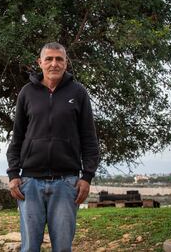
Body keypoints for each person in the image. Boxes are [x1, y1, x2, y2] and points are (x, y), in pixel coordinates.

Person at [6, 42, 100, 252]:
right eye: (49, 59)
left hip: (67, 184)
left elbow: (90, 140)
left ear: (66, 63)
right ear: (40, 63)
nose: (54, 64)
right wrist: (13, 174)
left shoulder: (78, 93)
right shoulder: (27, 93)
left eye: (59, 59)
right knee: (29, 247)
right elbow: (17, 137)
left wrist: (86, 177)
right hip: (29, 184)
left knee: (63, 248)